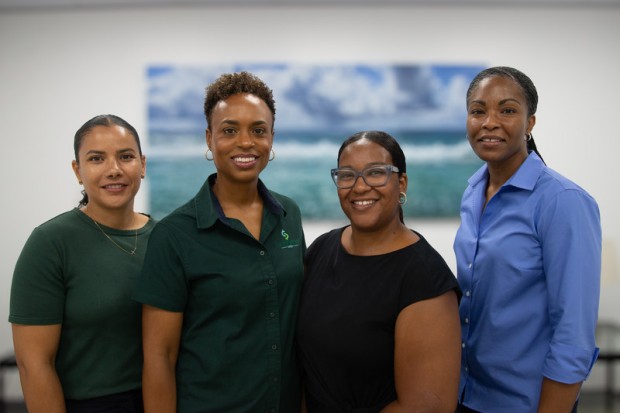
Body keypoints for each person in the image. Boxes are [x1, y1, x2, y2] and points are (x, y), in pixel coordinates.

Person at [133, 71, 305, 413]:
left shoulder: (289, 213)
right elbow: (159, 357)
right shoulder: (174, 235)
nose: (246, 142)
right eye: (229, 130)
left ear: (272, 138)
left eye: (259, 130)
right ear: (209, 138)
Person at [454, 66, 601, 413]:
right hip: (466, 395)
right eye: (478, 111)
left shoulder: (562, 201)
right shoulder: (473, 192)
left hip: (526, 403)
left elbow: (574, 334)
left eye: (507, 110)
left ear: (530, 123)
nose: (489, 122)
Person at [296, 130, 462, 413]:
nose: (359, 187)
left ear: (402, 183)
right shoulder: (321, 249)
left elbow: (426, 407)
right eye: (347, 175)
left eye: (375, 173)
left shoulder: (424, 277)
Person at [9, 114, 154, 412]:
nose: (114, 170)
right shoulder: (51, 243)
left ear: (142, 165)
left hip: (163, 400)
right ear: (78, 170)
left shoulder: (166, 239)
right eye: (96, 159)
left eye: (126, 156)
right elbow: (34, 364)